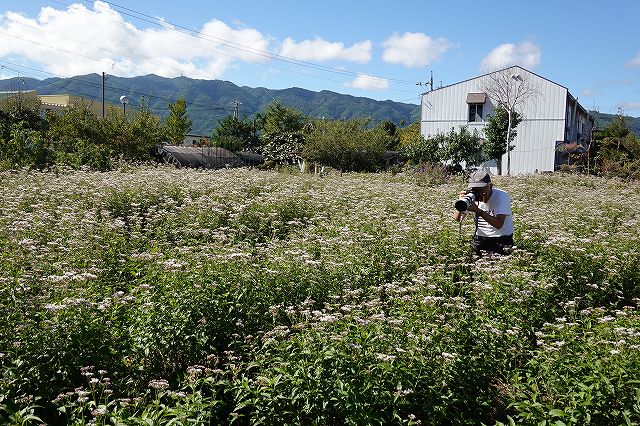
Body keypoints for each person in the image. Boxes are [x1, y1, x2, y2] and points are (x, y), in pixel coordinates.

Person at [453, 170, 514, 256]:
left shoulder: (501, 196)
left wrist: (478, 210)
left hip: (501, 239)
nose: (479, 193)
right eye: (475, 189)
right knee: (476, 266)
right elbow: (457, 219)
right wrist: (461, 203)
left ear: (490, 186)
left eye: (482, 189)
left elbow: (499, 224)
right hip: (480, 238)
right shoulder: (471, 196)